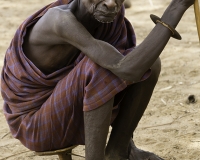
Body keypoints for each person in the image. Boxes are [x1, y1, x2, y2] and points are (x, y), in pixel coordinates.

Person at [1, 0, 194, 159]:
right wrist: (177, 7)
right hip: (36, 126)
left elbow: (131, 71)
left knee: (150, 63)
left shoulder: (110, 16)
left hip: (71, 107)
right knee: (100, 66)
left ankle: (118, 150)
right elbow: (125, 69)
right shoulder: (59, 20)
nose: (111, 3)